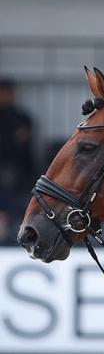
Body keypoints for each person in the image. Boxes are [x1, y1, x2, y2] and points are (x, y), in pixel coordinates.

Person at [0, 79, 34, 245]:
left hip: (18, 167)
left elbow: (21, 149)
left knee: (8, 177)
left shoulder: (22, 117)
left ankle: (6, 221)